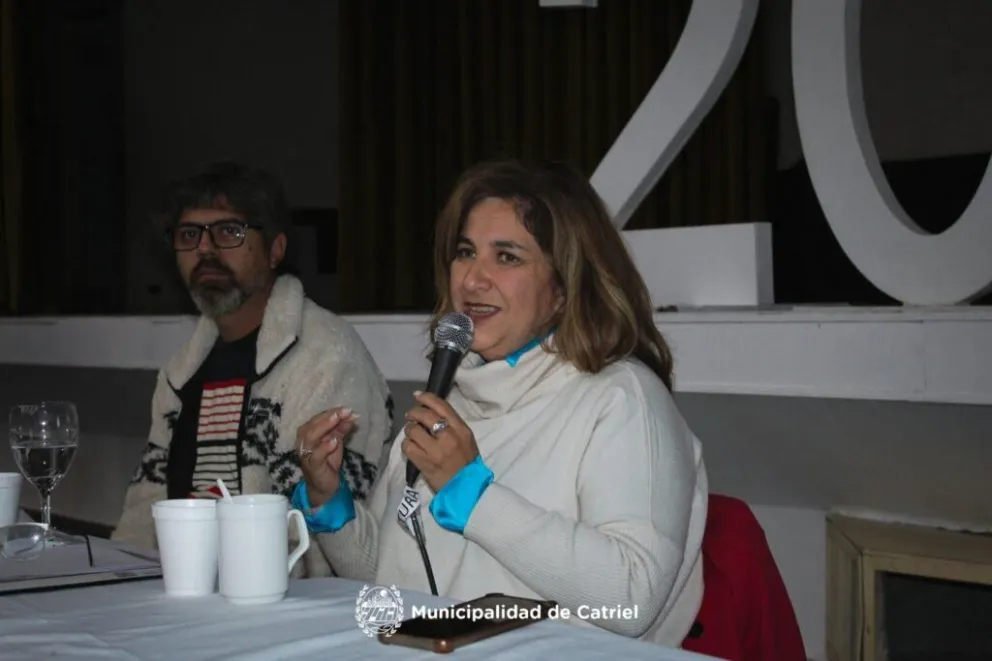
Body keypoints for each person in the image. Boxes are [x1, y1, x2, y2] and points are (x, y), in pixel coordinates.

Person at [293, 158, 708, 645]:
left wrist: (474, 496)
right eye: (465, 252)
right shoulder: (449, 399)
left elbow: (634, 598)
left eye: (507, 257)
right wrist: (331, 502)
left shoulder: (622, 400)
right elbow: (400, 577)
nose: (471, 280)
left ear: (563, 289)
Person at [112, 161, 394, 579]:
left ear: (275, 249)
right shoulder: (180, 371)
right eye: (190, 235)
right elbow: (147, 510)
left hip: (289, 605)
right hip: (185, 589)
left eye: (229, 232)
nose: (205, 250)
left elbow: (318, 543)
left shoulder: (327, 357)